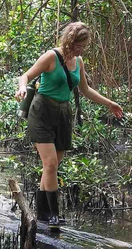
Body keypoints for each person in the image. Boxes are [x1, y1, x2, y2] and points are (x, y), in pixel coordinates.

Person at [15, 22, 124, 230]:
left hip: (63, 114)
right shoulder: (51, 56)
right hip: (42, 112)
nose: (80, 50)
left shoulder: (79, 61)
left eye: (83, 46)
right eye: (78, 46)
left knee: (53, 166)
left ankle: (42, 213)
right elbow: (25, 76)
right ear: (69, 42)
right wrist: (22, 88)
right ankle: (54, 216)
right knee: (50, 164)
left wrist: (109, 103)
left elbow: (85, 90)